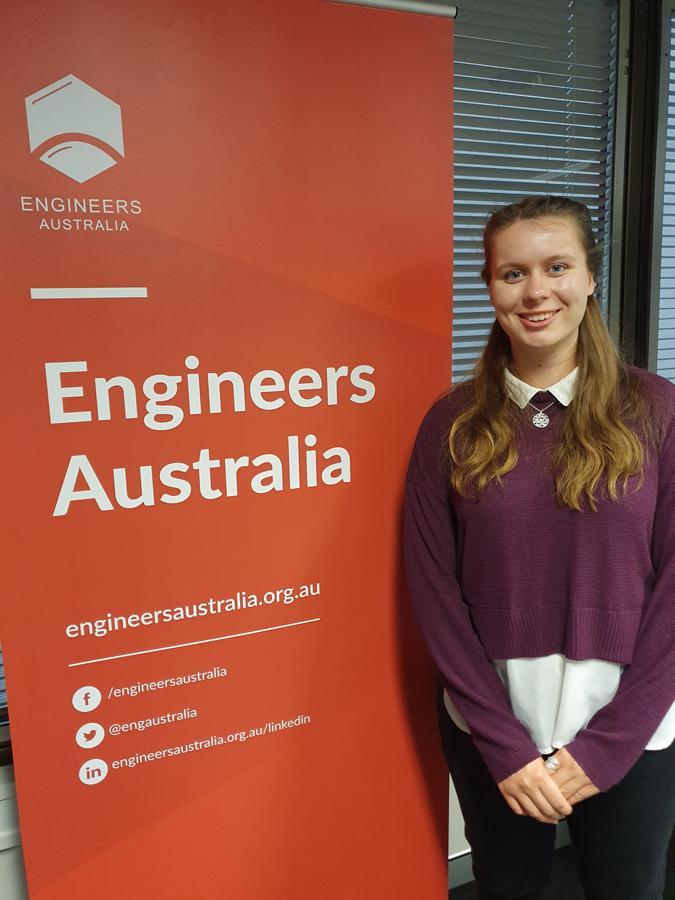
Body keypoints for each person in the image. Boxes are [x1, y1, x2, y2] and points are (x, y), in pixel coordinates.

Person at [403, 195, 675, 900]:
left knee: (628, 888)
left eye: (556, 267)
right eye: (512, 273)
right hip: (494, 726)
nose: (535, 293)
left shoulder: (657, 411)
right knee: (506, 887)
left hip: (631, 721)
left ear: (590, 277)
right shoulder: (450, 424)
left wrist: (612, 743)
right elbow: (434, 593)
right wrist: (501, 742)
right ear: (490, 286)